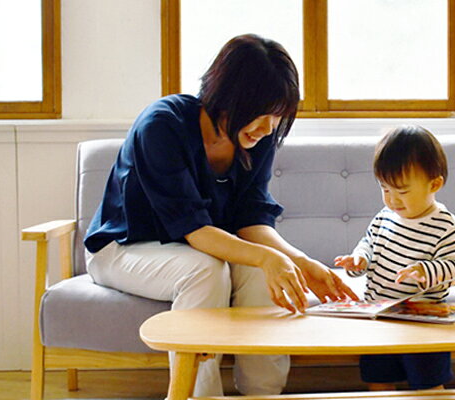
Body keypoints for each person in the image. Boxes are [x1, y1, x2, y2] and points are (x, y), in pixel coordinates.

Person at [83, 34, 358, 397]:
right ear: (229, 98)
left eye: (277, 116)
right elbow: (195, 229)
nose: (269, 127)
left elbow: (251, 219)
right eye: (263, 113)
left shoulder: (258, 138)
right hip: (123, 248)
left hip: (195, 249)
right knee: (206, 270)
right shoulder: (161, 126)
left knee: (260, 271)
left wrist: (301, 262)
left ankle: (263, 393)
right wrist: (268, 258)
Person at [334, 125, 455, 391]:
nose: (392, 200)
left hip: (423, 322)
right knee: (379, 379)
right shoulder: (384, 217)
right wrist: (359, 260)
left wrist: (426, 271)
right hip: (379, 315)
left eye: (402, 191)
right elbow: (369, 244)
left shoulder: (444, 225)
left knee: (428, 383)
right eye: (385, 189)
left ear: (434, 184)